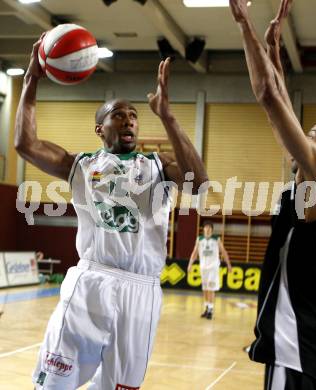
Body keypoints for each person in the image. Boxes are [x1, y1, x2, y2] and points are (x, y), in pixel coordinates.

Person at [15, 35, 208, 389]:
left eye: (134, 116)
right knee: (53, 383)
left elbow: (199, 184)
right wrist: (32, 79)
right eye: (118, 115)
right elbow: (26, 144)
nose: (129, 121)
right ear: (99, 128)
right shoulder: (81, 165)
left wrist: (169, 118)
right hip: (91, 280)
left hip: (142, 290)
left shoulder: (158, 165)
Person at [229, 0, 316, 389]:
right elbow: (280, 107)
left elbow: (270, 100)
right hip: (308, 334)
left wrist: (244, 24)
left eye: (312, 134)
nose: (303, 136)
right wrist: (274, 52)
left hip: (298, 336)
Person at [187, 221, 232, 319]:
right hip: (203, 268)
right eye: (206, 227)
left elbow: (223, 252)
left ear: (212, 229)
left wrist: (228, 265)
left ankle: (211, 310)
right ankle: (207, 308)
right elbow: (194, 253)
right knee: (205, 289)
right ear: (203, 229)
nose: (207, 229)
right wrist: (190, 264)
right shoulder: (199, 239)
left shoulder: (216, 239)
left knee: (211, 288)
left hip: (213, 268)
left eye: (209, 227)